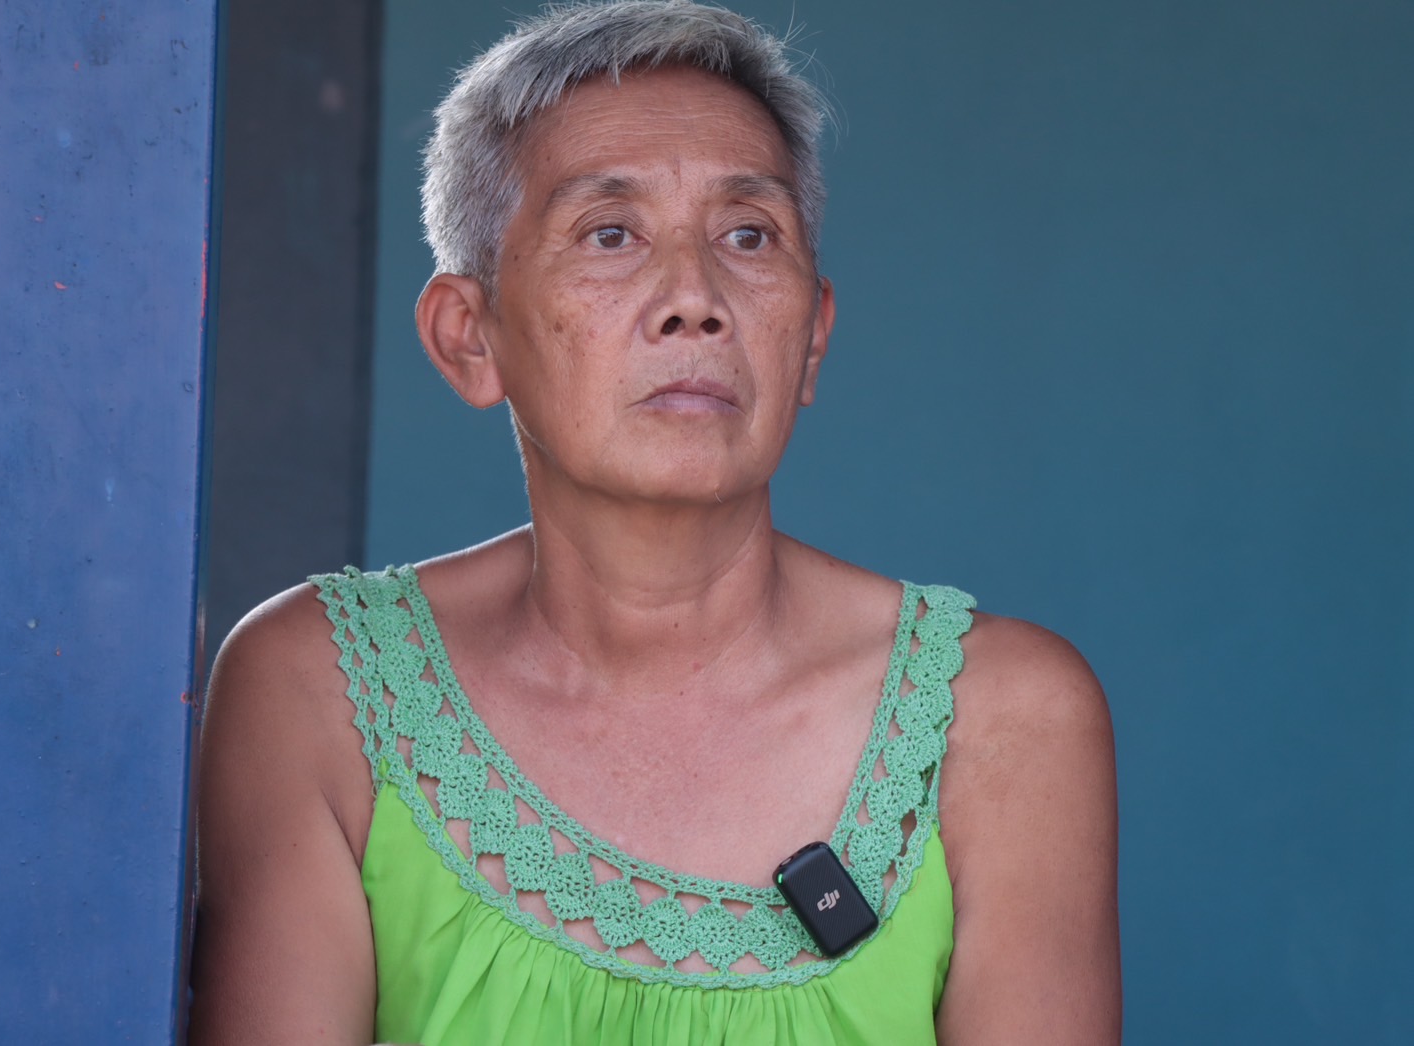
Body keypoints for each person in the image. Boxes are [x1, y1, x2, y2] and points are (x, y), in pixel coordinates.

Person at [190, 2, 1120, 1043]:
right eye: (610, 233)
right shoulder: (317, 690)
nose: (694, 296)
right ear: (470, 337)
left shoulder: (999, 720)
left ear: (810, 339)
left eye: (747, 235)